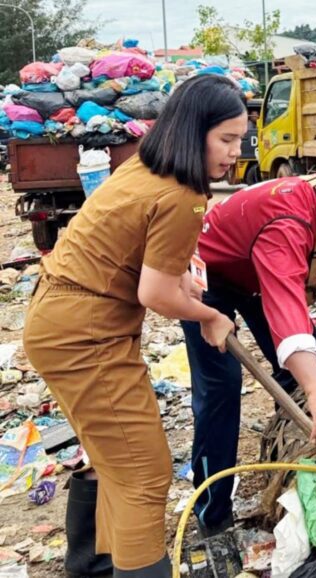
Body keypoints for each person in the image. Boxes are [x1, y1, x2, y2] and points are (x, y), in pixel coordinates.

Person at [23, 75, 245, 577]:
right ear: (194, 131)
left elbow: (145, 264)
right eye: (226, 139)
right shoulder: (183, 195)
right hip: (86, 335)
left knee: (114, 458)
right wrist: (210, 315)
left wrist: (184, 286)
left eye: (239, 139)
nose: (235, 152)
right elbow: (154, 294)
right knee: (144, 472)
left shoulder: (144, 165)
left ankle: (93, 564)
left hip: (58, 319)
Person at [181, 145, 316, 537]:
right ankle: (212, 513)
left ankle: (294, 456)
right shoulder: (288, 217)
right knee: (220, 389)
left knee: (304, 360)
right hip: (210, 276)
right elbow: (284, 299)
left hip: (255, 276)